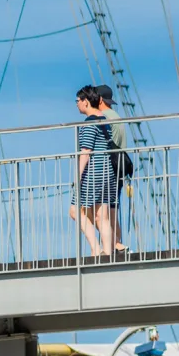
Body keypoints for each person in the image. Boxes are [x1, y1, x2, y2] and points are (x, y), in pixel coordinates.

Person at [69, 85, 117, 257]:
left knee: (75, 211)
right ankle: (108, 251)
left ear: (86, 102)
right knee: (101, 216)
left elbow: (85, 152)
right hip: (107, 174)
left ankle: (96, 250)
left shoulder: (89, 124)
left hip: (93, 175)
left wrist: (77, 176)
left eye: (78, 101)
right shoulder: (105, 121)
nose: (77, 105)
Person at [95, 84, 129, 253]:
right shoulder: (116, 116)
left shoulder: (103, 117)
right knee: (112, 208)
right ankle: (117, 244)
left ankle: (112, 244)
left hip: (108, 168)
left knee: (101, 211)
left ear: (99, 99)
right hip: (120, 166)